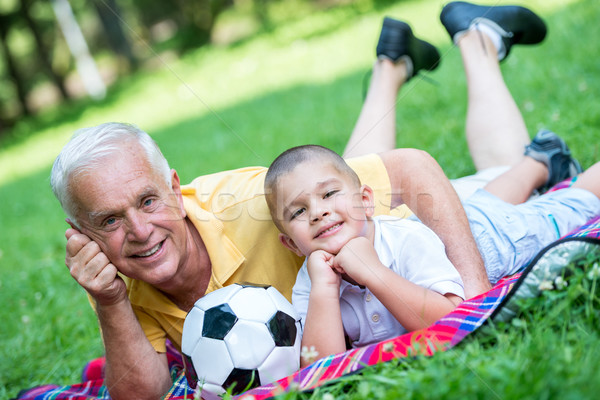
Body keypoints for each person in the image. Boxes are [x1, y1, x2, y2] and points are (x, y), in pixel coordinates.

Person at [50, 2, 556, 398]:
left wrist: (474, 303)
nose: (139, 232)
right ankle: (395, 65)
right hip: (355, 219)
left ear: (177, 191)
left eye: (148, 202)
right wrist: (108, 301)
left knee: (500, 183)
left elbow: (411, 169)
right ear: (82, 234)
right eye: (110, 221)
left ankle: (476, 39)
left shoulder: (248, 202)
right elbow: (143, 395)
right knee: (337, 185)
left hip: (415, 244)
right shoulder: (126, 280)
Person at [263, 143, 600, 366]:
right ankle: (540, 158)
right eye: (298, 212)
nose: (318, 212)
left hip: (494, 241)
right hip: (473, 218)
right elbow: (320, 368)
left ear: (366, 200)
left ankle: (553, 168)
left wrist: (375, 273)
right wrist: (324, 290)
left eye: (330, 194)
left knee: (573, 204)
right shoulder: (310, 280)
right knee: (482, 204)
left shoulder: (406, 242)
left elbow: (451, 321)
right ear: (291, 244)